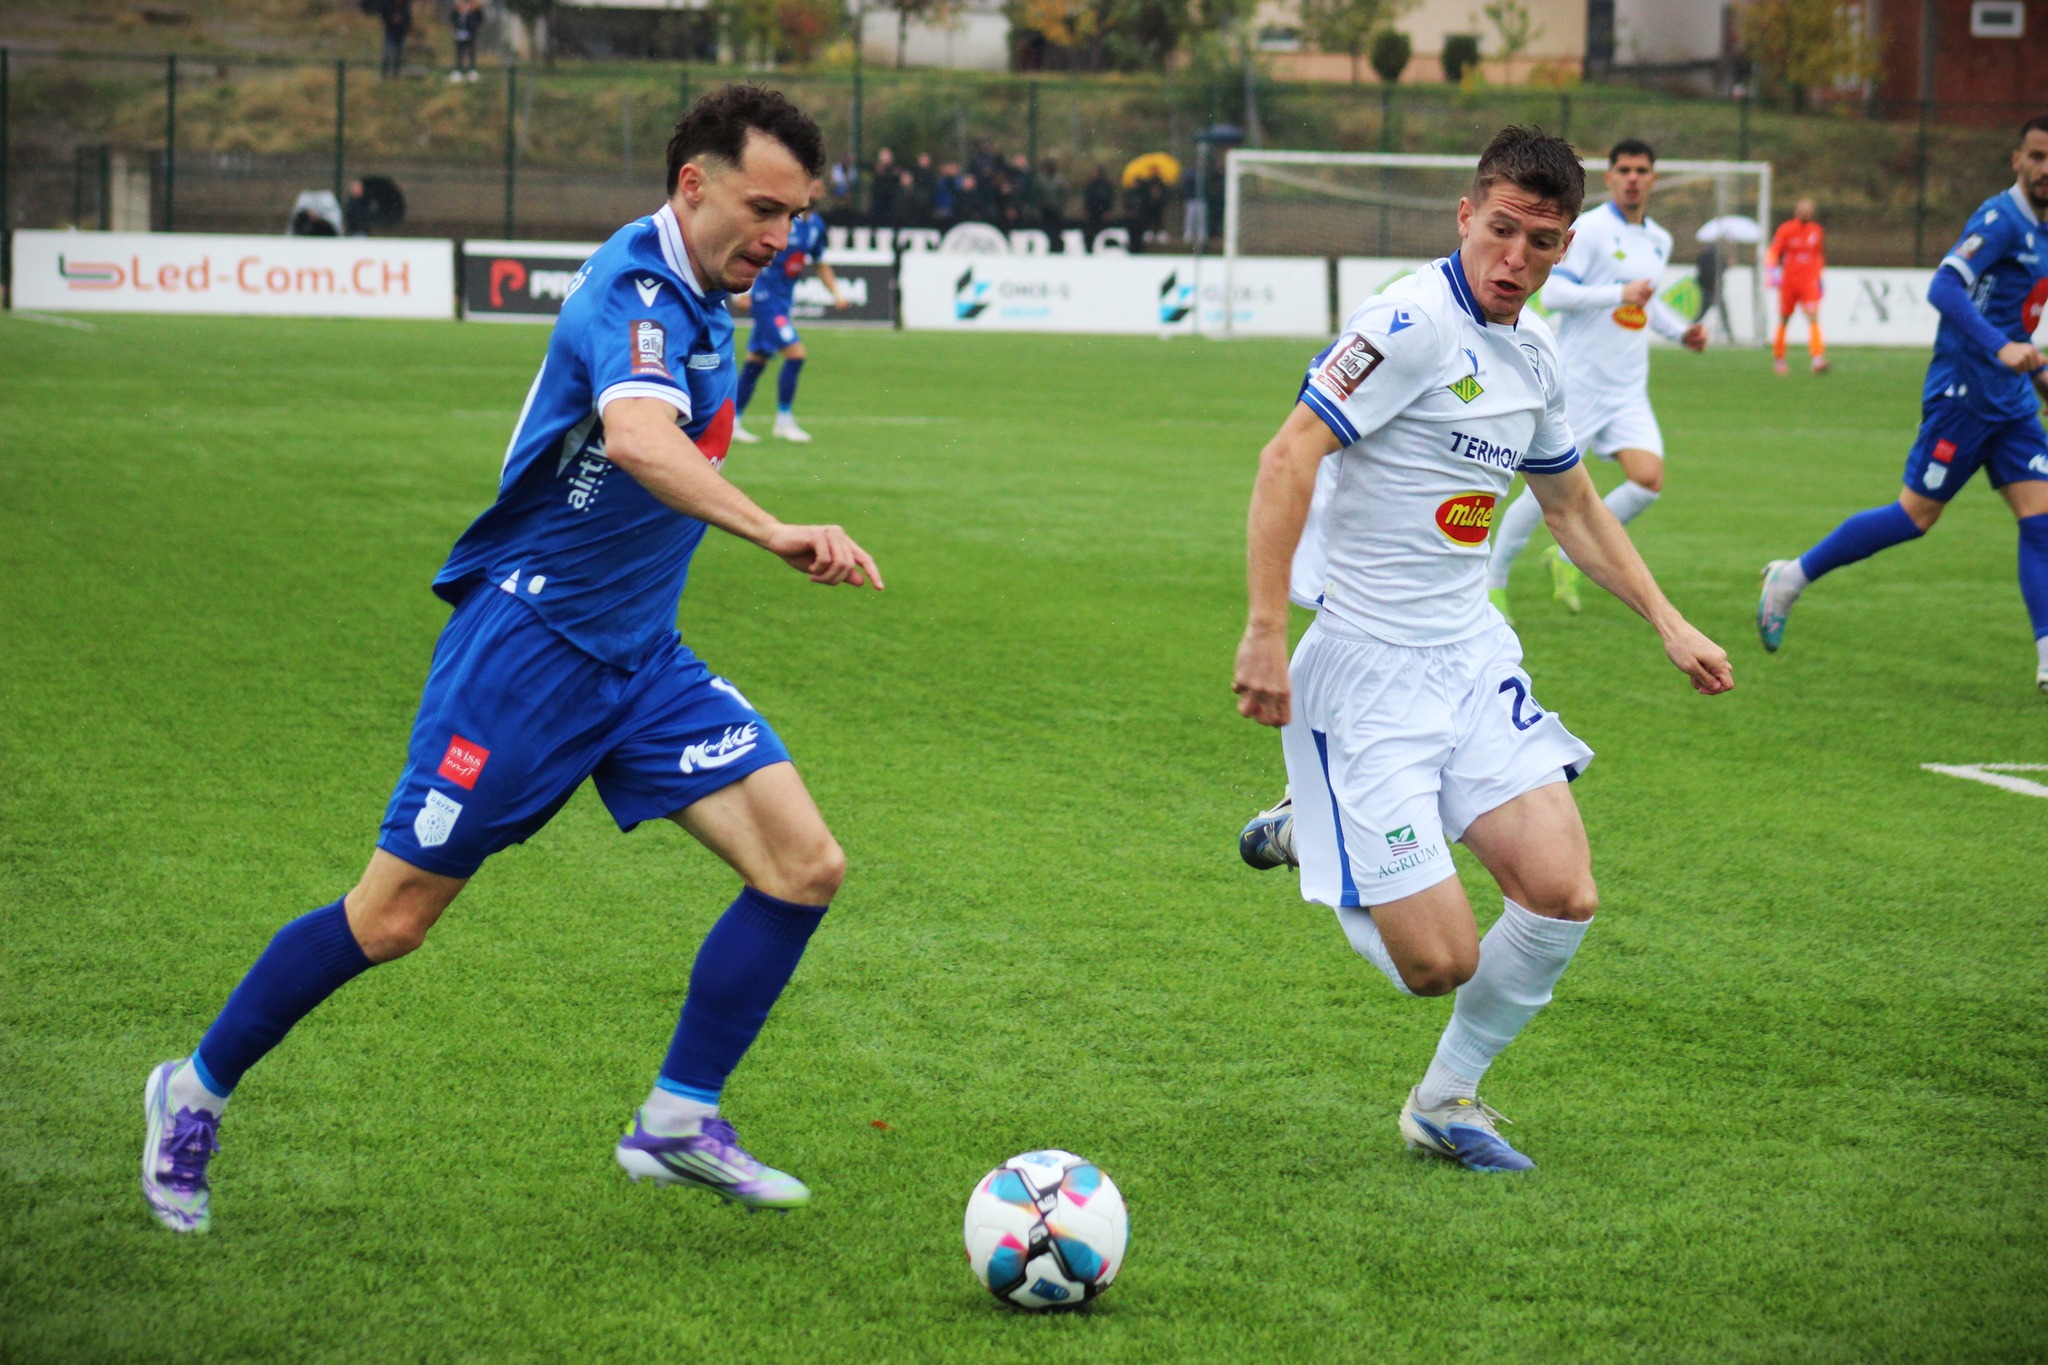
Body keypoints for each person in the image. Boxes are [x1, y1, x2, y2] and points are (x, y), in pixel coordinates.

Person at [141, 85, 884, 1236]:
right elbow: (635, 438)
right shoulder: (632, 292)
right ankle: (192, 1091)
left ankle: (677, 1119)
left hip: (641, 661)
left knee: (803, 865)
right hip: (527, 653)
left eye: (795, 215)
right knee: (391, 919)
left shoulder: (706, 289)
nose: (780, 237)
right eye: (763, 209)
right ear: (694, 186)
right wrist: (774, 530)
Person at [1231, 125, 1731, 1173]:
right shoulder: (1406, 324)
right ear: (1465, 216)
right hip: (1364, 670)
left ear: (1565, 245)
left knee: (1562, 893)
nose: (1515, 258)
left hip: (1469, 660)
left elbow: (1573, 506)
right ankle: (1313, 828)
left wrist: (1667, 619)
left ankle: (1444, 1099)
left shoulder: (1535, 356)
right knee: (1439, 963)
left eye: (1540, 241)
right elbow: (1287, 456)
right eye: (1500, 230)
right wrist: (1266, 629)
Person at [1759, 116, 2048, 694]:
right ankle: (1791, 576)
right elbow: (1944, 286)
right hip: (1963, 396)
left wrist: (2034, 372)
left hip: (2013, 402)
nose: (2046, 169)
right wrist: (2001, 347)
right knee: (1915, 517)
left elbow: (2013, 314)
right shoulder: (2000, 219)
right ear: (2017, 160)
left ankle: (2047, 659)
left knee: (2041, 523)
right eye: (2037, 157)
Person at [1484, 139, 1708, 623]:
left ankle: (1566, 558)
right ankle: (1493, 581)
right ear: (1610, 177)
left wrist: (1681, 332)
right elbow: (1557, 296)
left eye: (1642, 170)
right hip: (1581, 382)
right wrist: (1618, 293)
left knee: (1647, 481)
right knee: (1544, 493)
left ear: (1653, 178)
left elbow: (1644, 303)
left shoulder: (1659, 240)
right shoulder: (1589, 230)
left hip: (1628, 387)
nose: (1633, 178)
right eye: (1624, 170)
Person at [730, 178, 851, 445]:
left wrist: (837, 294)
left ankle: (733, 422)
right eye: (812, 187)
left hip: (783, 302)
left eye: (819, 188)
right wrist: (744, 291)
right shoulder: (783, 221)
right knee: (796, 354)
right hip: (765, 299)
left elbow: (820, 264)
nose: (816, 192)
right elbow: (752, 249)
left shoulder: (816, 226)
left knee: (756, 361)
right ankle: (784, 421)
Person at [1766, 198, 1827, 375]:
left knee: (1813, 317)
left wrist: (1820, 279)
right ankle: (1779, 359)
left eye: (1809, 210)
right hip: (1789, 283)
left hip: (1808, 282)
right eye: (1803, 210)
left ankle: (1817, 359)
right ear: (1796, 211)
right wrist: (1771, 271)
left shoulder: (1816, 231)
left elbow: (1818, 256)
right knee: (1784, 319)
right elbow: (1774, 251)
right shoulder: (1786, 229)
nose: (1806, 213)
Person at [449, 0, 484, 82]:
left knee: (471, 52)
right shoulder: (458, 9)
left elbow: (480, 18)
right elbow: (452, 18)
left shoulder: (474, 9)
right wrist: (457, 10)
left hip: (470, 34)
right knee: (459, 53)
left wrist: (475, 10)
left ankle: (472, 70)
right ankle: (458, 70)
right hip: (459, 34)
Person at [378, 0, 412, 80]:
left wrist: (404, 24)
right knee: (387, 54)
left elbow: (408, 19)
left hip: (401, 34)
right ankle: (384, 75)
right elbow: (383, 17)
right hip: (390, 33)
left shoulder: (405, 6)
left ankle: (396, 75)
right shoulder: (389, 5)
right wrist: (391, 19)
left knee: (399, 56)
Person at [1082, 166, 1114, 245]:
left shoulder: (1106, 185)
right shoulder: (1090, 185)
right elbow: (1087, 198)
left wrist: (1107, 210)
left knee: (1101, 231)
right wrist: (1086, 210)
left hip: (1102, 212)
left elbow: (1109, 198)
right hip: (1092, 211)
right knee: (1089, 231)